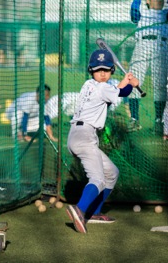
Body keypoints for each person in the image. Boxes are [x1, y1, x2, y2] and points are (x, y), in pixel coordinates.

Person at [66, 49, 139, 234]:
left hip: (77, 135)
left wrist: (125, 82)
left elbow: (115, 90)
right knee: (98, 179)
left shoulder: (90, 85)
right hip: (85, 135)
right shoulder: (102, 87)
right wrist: (133, 84)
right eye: (98, 70)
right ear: (91, 70)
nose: (102, 73)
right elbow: (122, 92)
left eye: (106, 70)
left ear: (111, 71)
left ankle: (95, 212)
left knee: (111, 173)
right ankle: (79, 209)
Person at [129, 0, 168, 132]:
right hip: (142, 45)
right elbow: (133, 13)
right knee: (134, 82)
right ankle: (134, 119)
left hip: (161, 47)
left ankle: (159, 121)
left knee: (161, 84)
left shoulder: (167, 14)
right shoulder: (142, 12)